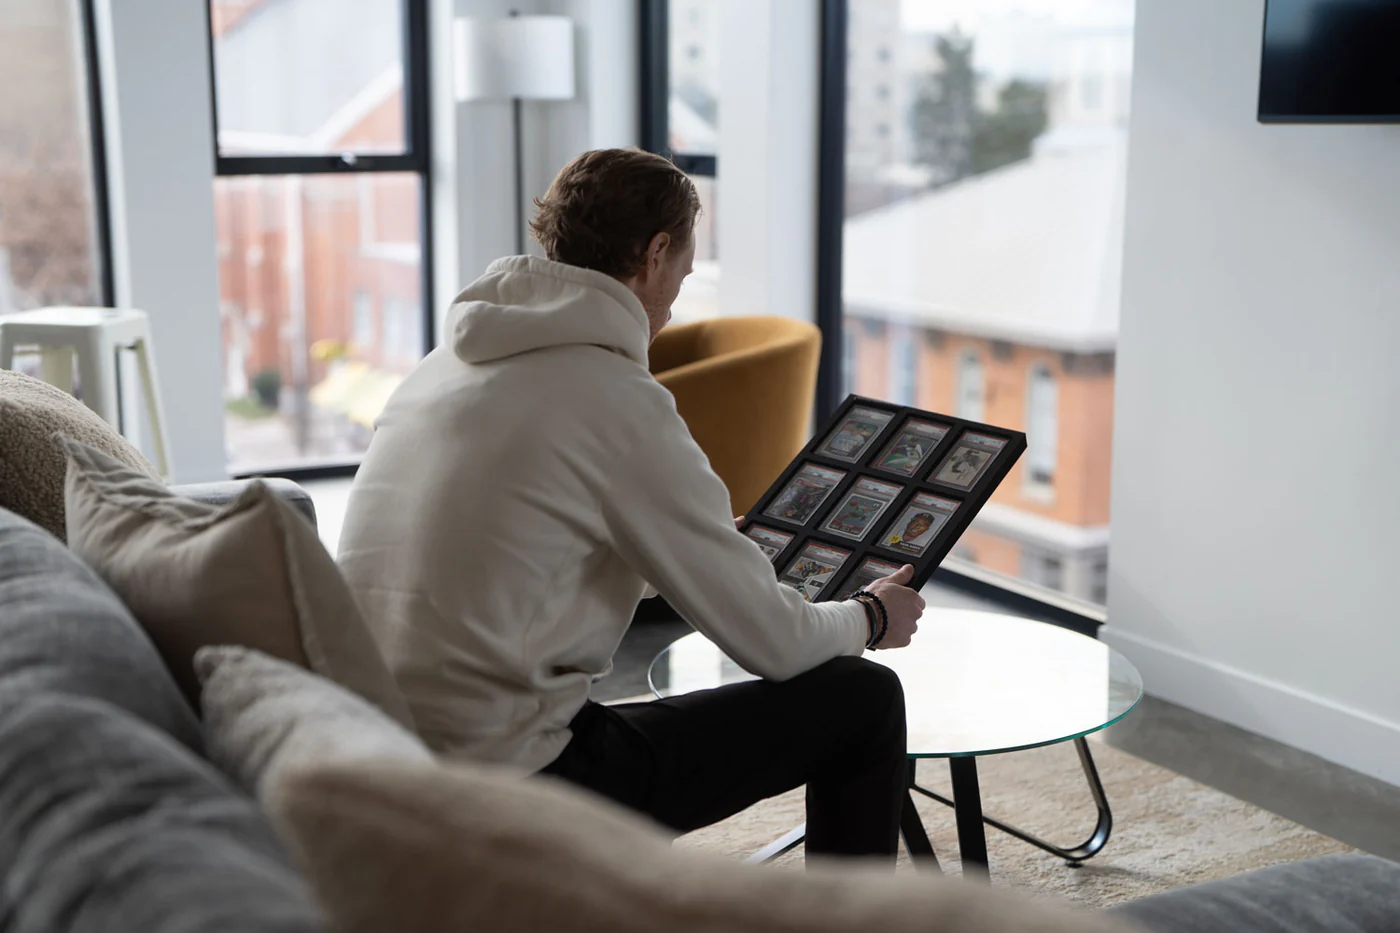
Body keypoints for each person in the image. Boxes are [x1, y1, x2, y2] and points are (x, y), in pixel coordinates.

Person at [338, 148, 925, 862]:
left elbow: (528, 552)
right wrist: (871, 615)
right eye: (682, 268)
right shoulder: (614, 396)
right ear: (653, 254)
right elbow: (778, 644)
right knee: (861, 698)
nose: (678, 295)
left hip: (381, 751)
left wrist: (688, 548)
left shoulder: (445, 365)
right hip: (513, 780)